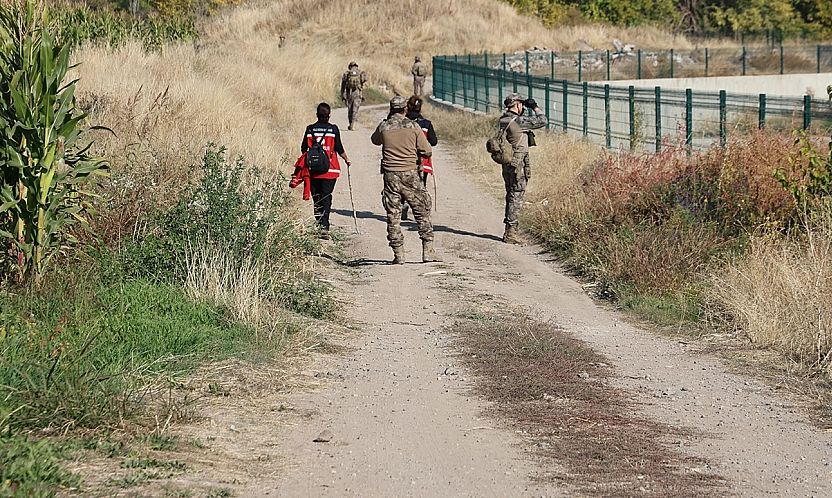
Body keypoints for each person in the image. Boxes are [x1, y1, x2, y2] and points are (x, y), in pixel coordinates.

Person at [371, 95, 440, 264]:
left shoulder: (384, 126)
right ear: (405, 109)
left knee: (393, 215)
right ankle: (428, 250)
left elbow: (375, 140)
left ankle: (399, 254)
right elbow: (427, 150)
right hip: (410, 174)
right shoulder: (413, 126)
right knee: (422, 211)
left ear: (390, 109)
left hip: (390, 176)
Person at [499, 92, 546, 245]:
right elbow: (542, 121)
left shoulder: (503, 119)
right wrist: (535, 107)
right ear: (518, 105)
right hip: (518, 163)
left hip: (508, 162)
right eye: (522, 104)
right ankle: (511, 233)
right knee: (517, 195)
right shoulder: (519, 121)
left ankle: (509, 229)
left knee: (510, 194)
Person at [301, 102, 352, 239]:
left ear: (317, 115)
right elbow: (339, 148)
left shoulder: (310, 129)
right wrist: (346, 159)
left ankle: (319, 223)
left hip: (313, 170)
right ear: (329, 115)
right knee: (326, 197)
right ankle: (325, 226)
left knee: (316, 198)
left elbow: (303, 148)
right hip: (330, 170)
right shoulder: (333, 130)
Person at [401, 94, 437, 220]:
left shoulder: (402, 123)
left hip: (405, 159)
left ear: (407, 107)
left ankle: (404, 203)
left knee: (405, 184)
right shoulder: (426, 123)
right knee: (421, 186)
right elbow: (434, 141)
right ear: (420, 107)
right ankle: (420, 212)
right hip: (423, 161)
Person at [340, 62, 368, 131]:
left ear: (350, 67)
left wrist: (342, 95)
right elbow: (365, 79)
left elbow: (343, 85)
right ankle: (354, 124)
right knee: (355, 110)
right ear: (356, 66)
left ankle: (350, 124)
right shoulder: (361, 73)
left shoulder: (347, 74)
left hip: (349, 94)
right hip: (357, 94)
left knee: (350, 109)